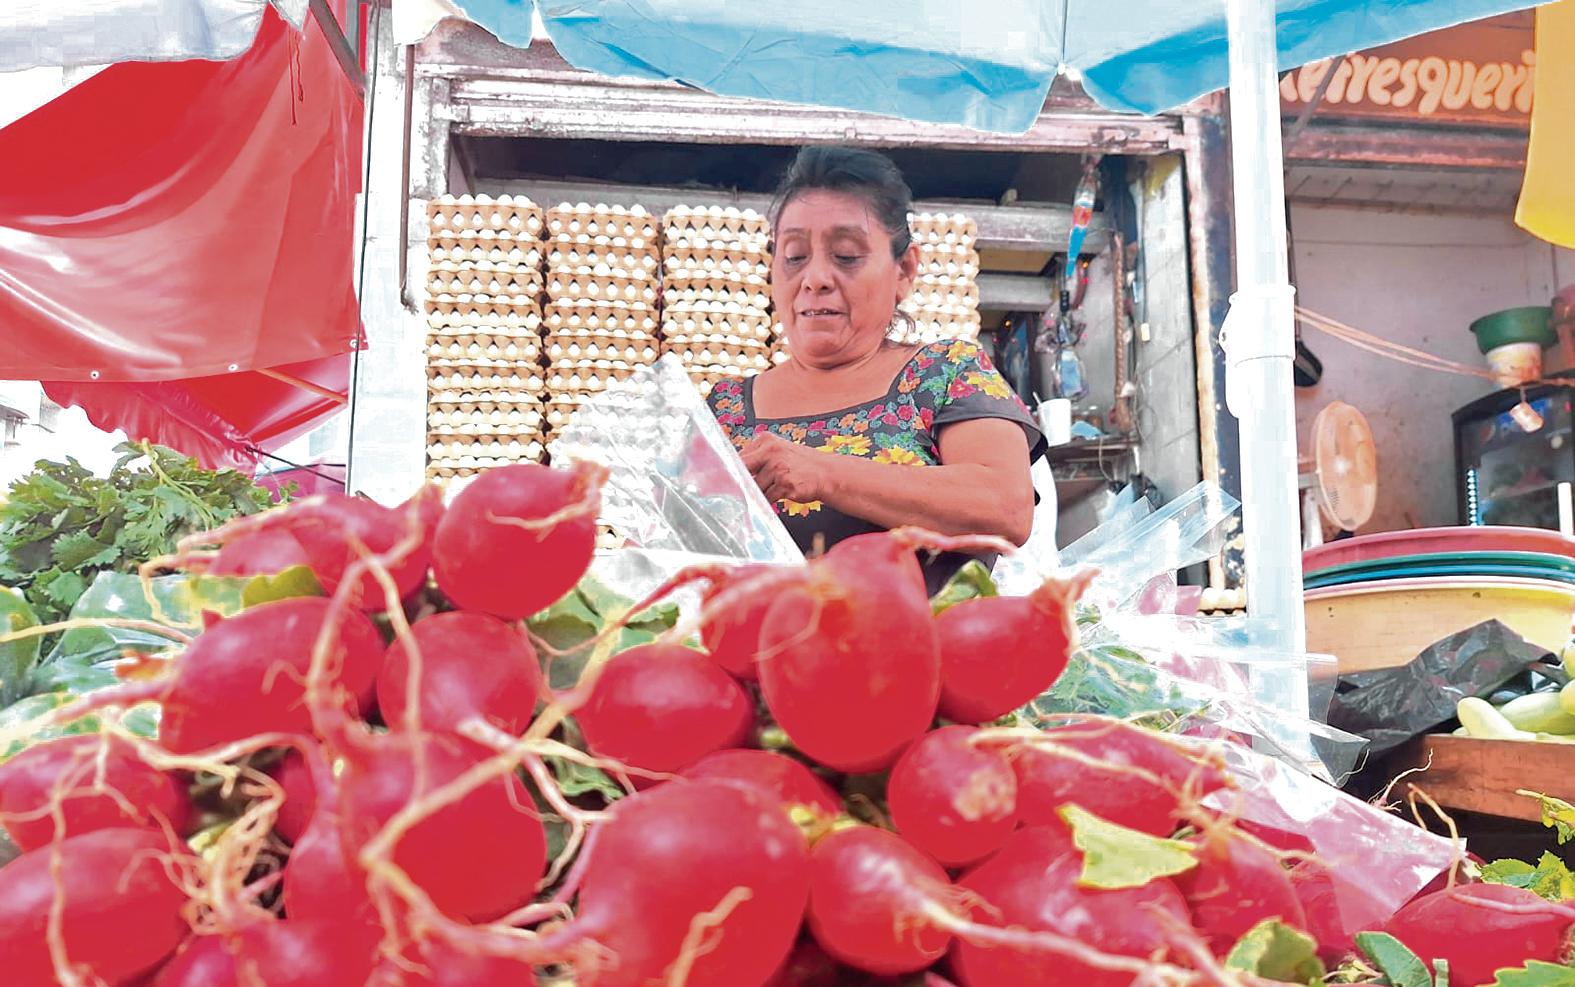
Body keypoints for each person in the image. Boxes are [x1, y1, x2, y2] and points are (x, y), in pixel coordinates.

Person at [707, 146, 1046, 593]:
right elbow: (667, 541)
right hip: (757, 640)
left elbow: (1006, 508)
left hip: (929, 638)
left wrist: (825, 474)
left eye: (846, 256)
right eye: (794, 255)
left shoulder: (946, 374)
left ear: (904, 270)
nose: (815, 279)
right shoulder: (724, 409)